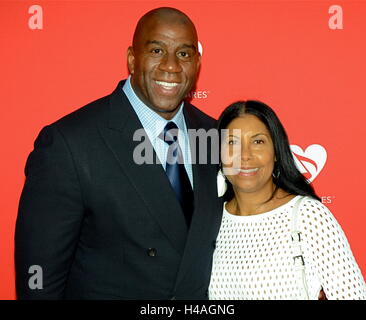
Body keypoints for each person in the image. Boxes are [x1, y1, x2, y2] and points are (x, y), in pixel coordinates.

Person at [15, 7, 222, 299]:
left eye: (185, 54)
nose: (171, 66)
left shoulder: (216, 136)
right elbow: (39, 281)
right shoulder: (69, 144)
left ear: (198, 63)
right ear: (131, 59)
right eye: (157, 50)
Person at [208, 100, 366, 300]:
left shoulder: (309, 216)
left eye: (258, 141)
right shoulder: (208, 219)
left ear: (276, 152)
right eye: (232, 142)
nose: (245, 155)